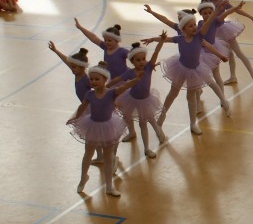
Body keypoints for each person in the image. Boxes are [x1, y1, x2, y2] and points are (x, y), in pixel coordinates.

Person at [142, 8, 230, 135]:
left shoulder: (199, 37)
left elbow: (209, 43)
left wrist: (221, 55)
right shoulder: (180, 38)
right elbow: (165, 38)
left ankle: (193, 123)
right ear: (183, 29)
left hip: (196, 69)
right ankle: (162, 116)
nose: (194, 27)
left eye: (194, 25)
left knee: (192, 96)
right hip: (181, 68)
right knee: (173, 93)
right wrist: (152, 38)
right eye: (191, 26)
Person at [68, 61, 144, 197]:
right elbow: (82, 107)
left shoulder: (111, 93)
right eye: (91, 79)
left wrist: (136, 79)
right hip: (93, 126)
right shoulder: (90, 95)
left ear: (105, 80)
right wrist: (76, 117)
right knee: (88, 154)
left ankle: (109, 186)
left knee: (108, 157)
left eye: (97, 79)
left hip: (108, 126)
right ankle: (83, 177)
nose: (93, 82)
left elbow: (125, 85)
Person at [177, 0, 253, 88]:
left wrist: (251, 17)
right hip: (213, 31)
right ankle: (233, 76)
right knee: (229, 54)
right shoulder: (207, 0)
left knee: (238, 53)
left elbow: (236, 11)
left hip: (223, 30)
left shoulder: (223, 3)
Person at [109, 35, 168, 158]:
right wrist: (106, 86)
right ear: (132, 61)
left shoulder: (148, 68)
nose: (142, 62)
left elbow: (156, 53)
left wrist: (161, 41)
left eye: (143, 59)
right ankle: (114, 152)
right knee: (126, 121)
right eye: (138, 60)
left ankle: (147, 148)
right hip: (131, 100)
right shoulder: (130, 73)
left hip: (145, 100)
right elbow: (118, 79)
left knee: (144, 124)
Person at [48, 43, 104, 164]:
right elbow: (66, 61)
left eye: (74, 67)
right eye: (71, 67)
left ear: (82, 67)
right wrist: (56, 50)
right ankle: (100, 156)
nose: (71, 69)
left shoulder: (86, 79)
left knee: (94, 135)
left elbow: (99, 87)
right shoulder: (77, 71)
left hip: (90, 109)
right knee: (93, 135)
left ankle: (106, 156)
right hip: (85, 108)